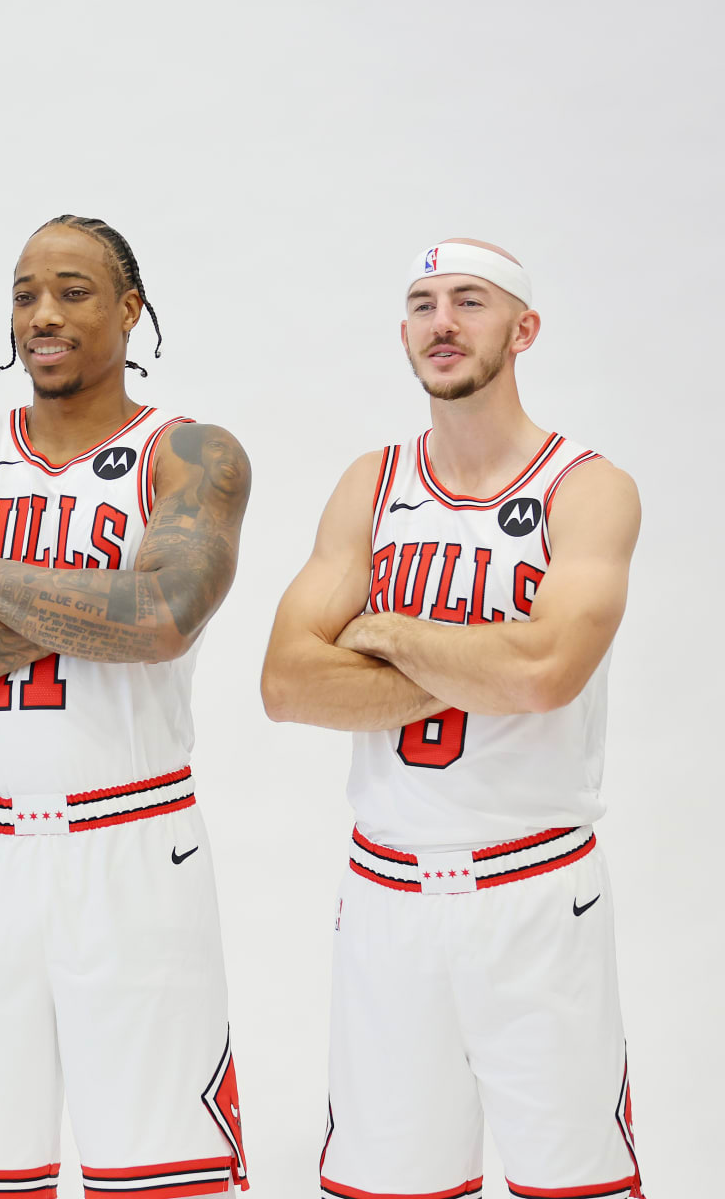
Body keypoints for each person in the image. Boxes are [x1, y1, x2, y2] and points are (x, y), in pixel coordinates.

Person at [0, 215, 252, 1199]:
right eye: (25, 291)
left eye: (73, 291)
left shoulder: (192, 452)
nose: (43, 313)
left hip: (135, 847)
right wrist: (89, 600)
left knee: (165, 1177)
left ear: (129, 310)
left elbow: (162, 617)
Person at [261, 239, 645, 1199]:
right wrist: (487, 657)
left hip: (535, 891)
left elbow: (549, 670)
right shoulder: (373, 481)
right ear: (403, 332)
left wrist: (385, 631)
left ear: (525, 329)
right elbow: (286, 683)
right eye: (424, 305)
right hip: (387, 897)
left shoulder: (587, 487)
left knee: (574, 1185)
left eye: (469, 302)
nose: (443, 323)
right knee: (388, 1186)